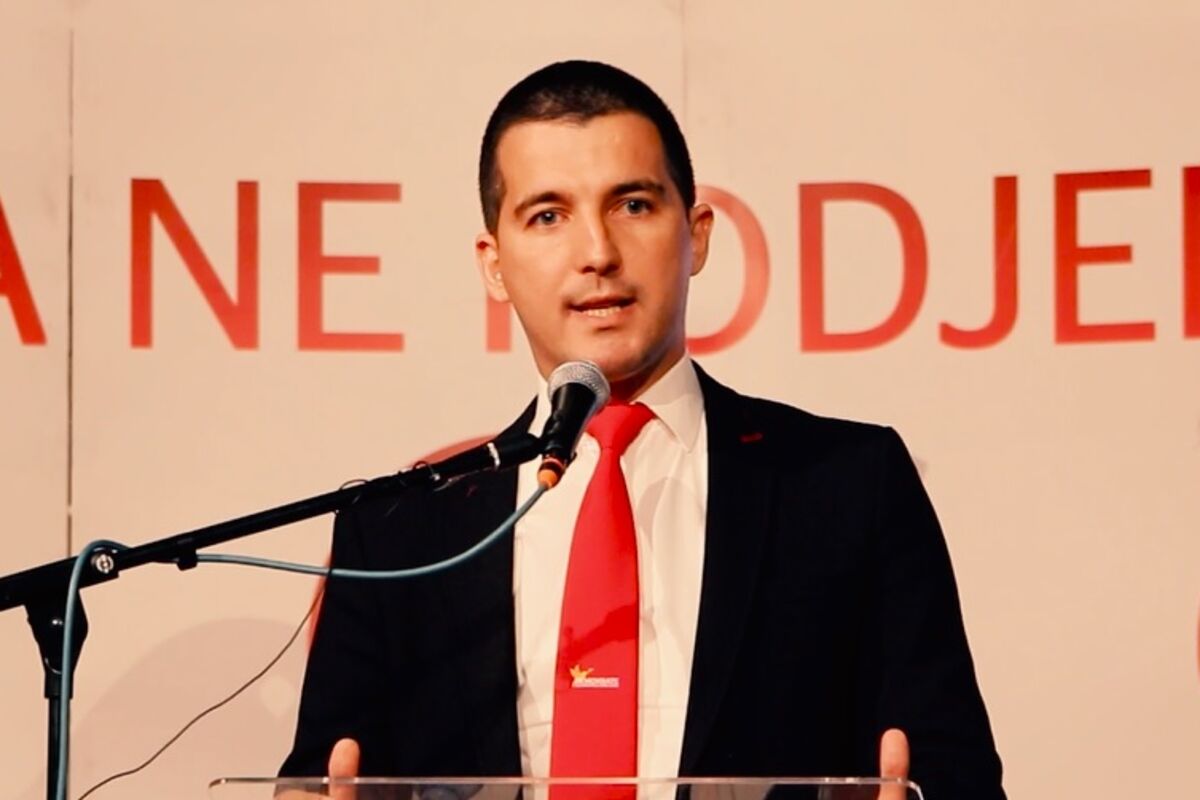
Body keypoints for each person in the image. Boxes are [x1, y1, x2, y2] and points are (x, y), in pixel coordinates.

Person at [278, 60, 1006, 800]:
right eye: (548, 216)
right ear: (493, 265)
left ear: (697, 234)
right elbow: (319, 780)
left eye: (632, 204)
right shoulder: (401, 533)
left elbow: (956, 773)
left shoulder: (848, 485)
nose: (597, 252)